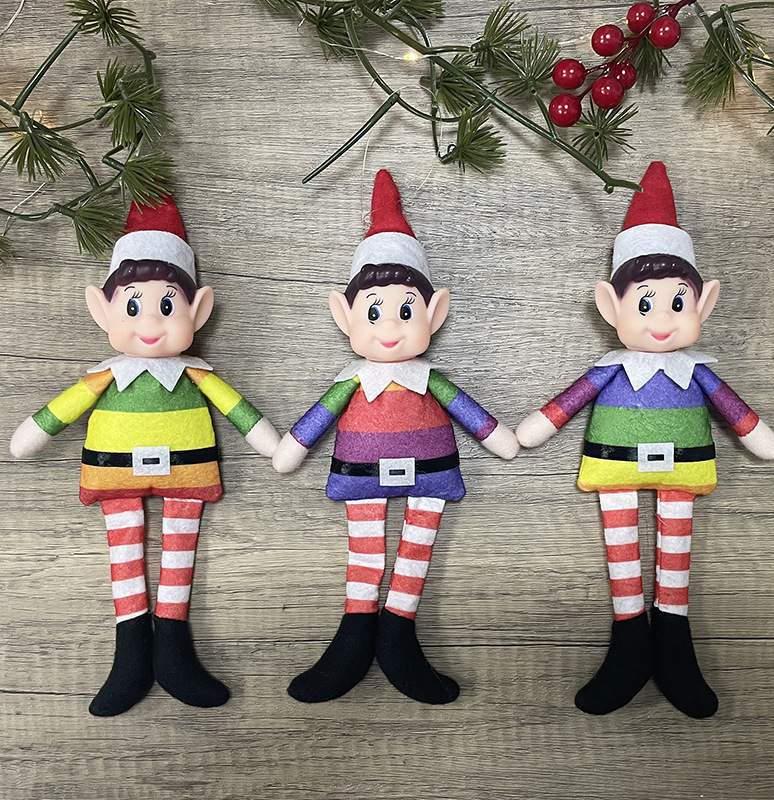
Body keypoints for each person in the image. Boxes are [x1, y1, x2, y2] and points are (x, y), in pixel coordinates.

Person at [516, 162, 774, 718]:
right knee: (621, 552)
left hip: (682, 470)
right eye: (644, 302)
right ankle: (630, 639)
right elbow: (568, 402)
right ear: (610, 307)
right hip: (615, 470)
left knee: (676, 551)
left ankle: (674, 636)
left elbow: (736, 412)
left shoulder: (696, 371)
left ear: (704, 304)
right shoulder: (610, 369)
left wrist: (759, 435)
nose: (662, 319)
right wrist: (538, 426)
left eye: (677, 302)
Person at [10, 197, 279, 716]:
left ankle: (173, 649)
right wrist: (29, 436)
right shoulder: (105, 376)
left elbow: (239, 411)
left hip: (186, 473)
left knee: (180, 555)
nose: (150, 322)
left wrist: (275, 446)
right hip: (117, 476)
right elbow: (58, 413)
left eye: (168, 306)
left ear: (199, 311)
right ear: (102, 310)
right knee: (124, 557)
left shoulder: (195, 373)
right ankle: (131, 652)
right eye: (133, 307)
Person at [273, 169, 519, 705]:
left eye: (406, 311)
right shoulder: (351, 381)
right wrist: (290, 448)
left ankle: (399, 629)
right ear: (345, 317)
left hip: (431, 475)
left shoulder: (430, 379)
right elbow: (316, 419)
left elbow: (471, 413)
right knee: (364, 554)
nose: (390, 327)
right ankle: (356, 630)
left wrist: (499, 436)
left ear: (434, 313)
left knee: (416, 552)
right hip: (362, 477)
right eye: (374, 312)